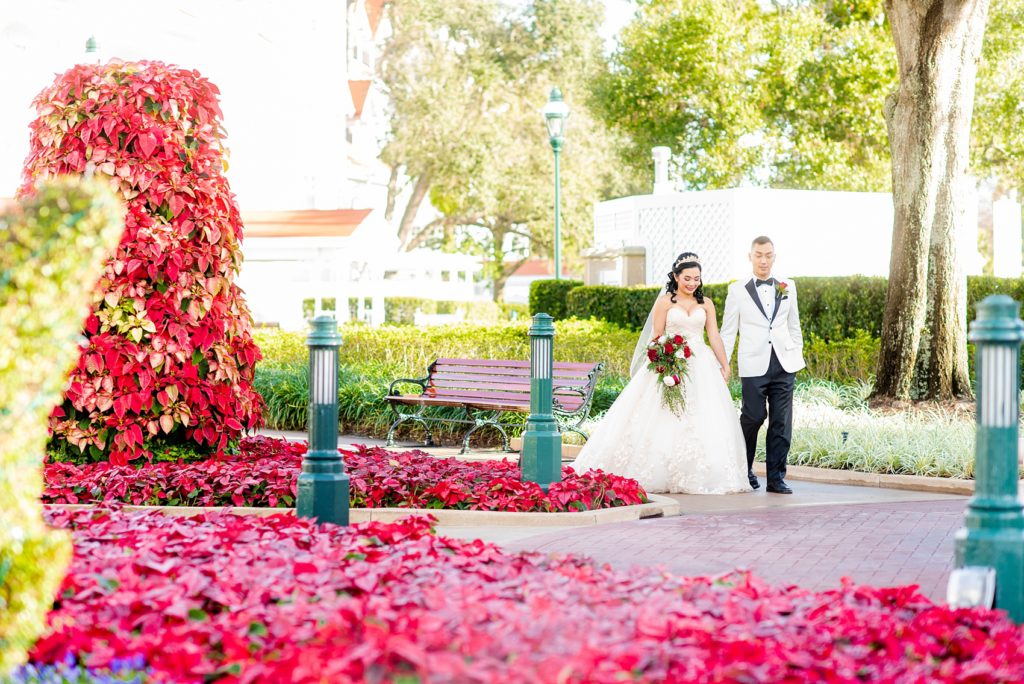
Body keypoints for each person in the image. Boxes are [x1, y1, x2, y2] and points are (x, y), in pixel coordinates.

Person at [570, 252, 750, 494]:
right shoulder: (666, 302)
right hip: (670, 362)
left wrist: (725, 364)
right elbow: (655, 335)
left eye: (696, 278)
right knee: (663, 415)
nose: (692, 283)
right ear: (676, 277)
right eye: (687, 278)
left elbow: (714, 335)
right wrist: (663, 359)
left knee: (705, 416)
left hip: (700, 366)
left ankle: (702, 472)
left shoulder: (706, 303)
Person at [720, 236, 805, 494]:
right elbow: (727, 331)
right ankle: (744, 471)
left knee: (781, 422)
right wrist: (723, 364)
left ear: (774, 256)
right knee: (753, 417)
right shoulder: (737, 290)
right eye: (759, 255)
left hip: (784, 363)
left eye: (768, 255)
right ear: (750, 256)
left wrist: (796, 354)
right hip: (753, 364)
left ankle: (776, 478)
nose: (764, 260)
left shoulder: (787, 286)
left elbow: (794, 325)